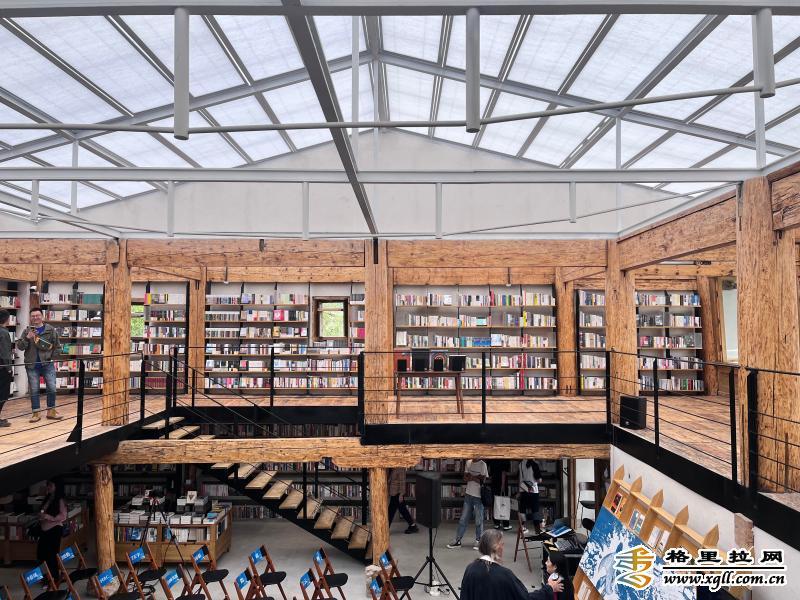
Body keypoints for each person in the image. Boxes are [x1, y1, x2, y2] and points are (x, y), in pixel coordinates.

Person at [460, 529, 563, 600]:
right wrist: (549, 588)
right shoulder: (504, 575)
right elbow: (524, 598)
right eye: (502, 544)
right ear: (496, 547)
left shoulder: (470, 569)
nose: (503, 547)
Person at [16, 307, 61, 423]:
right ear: (30, 318)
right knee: (34, 389)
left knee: (52, 388)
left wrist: (50, 357)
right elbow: (20, 347)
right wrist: (27, 338)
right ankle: (36, 413)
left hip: (47, 364)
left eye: (37, 315)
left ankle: (51, 411)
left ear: (42, 316)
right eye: (33, 316)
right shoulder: (27, 331)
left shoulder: (50, 330)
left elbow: (58, 347)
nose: (35, 318)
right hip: (32, 365)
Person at [447, 458, 488, 550]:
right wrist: (476, 477)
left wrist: (471, 476)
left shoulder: (483, 464)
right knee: (463, 519)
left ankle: (479, 541)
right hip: (468, 495)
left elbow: (483, 481)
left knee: (479, 520)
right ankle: (458, 540)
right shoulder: (468, 462)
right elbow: (465, 478)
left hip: (479, 497)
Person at [37, 480, 67, 578]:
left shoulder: (60, 500)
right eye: (48, 485)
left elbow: (63, 516)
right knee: (41, 554)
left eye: (50, 485)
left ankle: (53, 577)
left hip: (54, 529)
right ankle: (46, 576)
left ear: (56, 487)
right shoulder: (48, 498)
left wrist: (48, 517)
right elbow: (43, 510)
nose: (48, 487)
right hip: (44, 529)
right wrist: (41, 515)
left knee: (52, 555)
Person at [388, 468, 418, 534]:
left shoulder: (400, 469)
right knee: (402, 509)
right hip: (393, 493)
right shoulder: (393, 468)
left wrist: (401, 494)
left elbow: (402, 482)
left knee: (391, 511)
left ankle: (385, 528)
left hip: (397, 493)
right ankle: (413, 525)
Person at [519, 459, 543, 533]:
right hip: (533, 490)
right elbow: (539, 480)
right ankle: (537, 530)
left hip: (523, 489)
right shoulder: (534, 464)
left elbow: (520, 478)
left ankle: (522, 528)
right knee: (535, 511)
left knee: (522, 510)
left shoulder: (521, 464)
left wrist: (519, 490)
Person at [487, 459, 511, 530]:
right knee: (504, 504)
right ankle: (505, 524)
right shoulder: (505, 459)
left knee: (495, 503)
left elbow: (489, 471)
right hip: (501, 484)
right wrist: (503, 485)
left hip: (494, 483)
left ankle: (496, 523)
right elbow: (504, 472)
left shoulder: (492, 459)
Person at [0, 310, 12, 427]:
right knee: (3, 394)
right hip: (2, 367)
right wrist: (9, 368)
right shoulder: (3, 332)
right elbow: (5, 353)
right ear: (7, 319)